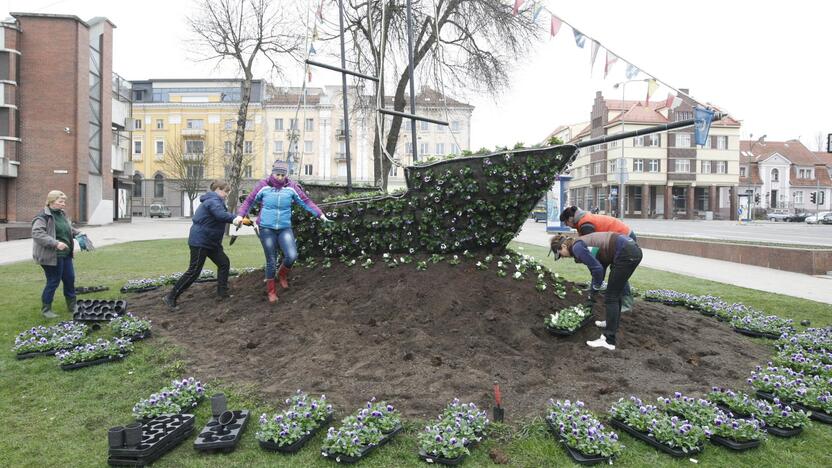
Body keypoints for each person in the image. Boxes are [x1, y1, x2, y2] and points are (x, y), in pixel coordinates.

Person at [240, 160, 329, 304]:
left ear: (286, 175)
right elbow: (249, 201)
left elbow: (306, 202)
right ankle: (271, 292)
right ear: (272, 173)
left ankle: (281, 275)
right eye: (277, 174)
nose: (280, 177)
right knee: (271, 260)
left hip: (284, 227)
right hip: (266, 228)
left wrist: (320, 214)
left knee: (292, 255)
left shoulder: (291, 187)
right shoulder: (263, 186)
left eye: (282, 175)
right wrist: (240, 215)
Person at [550, 232, 643, 351]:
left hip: (626, 253)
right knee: (615, 293)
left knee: (611, 297)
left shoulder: (577, 247)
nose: (563, 257)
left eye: (560, 254)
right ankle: (611, 323)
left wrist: (593, 291)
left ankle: (608, 340)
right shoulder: (581, 244)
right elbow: (601, 266)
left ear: (563, 246)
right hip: (630, 250)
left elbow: (597, 269)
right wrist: (593, 292)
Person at [163, 180, 243, 309]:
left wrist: (236, 219)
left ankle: (222, 293)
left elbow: (220, 216)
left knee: (224, 263)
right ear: (218, 189)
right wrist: (234, 219)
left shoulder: (216, 201)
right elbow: (220, 215)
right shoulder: (213, 201)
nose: (227, 194)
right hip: (201, 241)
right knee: (194, 271)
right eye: (226, 191)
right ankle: (170, 297)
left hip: (211, 242)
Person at [559, 206, 638, 313]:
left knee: (618, 272)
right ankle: (606, 292)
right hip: (615, 241)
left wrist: (594, 286)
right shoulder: (581, 221)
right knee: (605, 268)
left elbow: (592, 253)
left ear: (570, 219)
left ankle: (626, 302)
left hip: (624, 239)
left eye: (565, 223)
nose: (566, 226)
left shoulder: (585, 224)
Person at [31, 190, 87, 318]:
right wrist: (56, 243)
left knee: (69, 279)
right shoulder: (42, 217)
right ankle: (46, 309)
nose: (63, 204)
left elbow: (67, 228)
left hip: (65, 254)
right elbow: (37, 234)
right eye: (60, 201)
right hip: (51, 256)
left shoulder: (62, 214)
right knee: (53, 281)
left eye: (64, 201)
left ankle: (72, 305)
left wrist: (78, 233)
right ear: (51, 202)